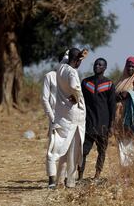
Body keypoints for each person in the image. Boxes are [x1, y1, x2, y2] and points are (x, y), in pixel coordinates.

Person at [47, 48, 88, 188]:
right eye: (79, 61)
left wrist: (79, 54)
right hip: (74, 115)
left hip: (63, 114)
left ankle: (59, 180)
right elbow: (73, 85)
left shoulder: (61, 67)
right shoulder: (71, 71)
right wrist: (76, 95)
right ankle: (70, 181)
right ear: (76, 60)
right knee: (73, 150)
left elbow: (67, 54)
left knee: (63, 148)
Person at [78, 58, 116, 181]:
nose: (97, 66)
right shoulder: (85, 83)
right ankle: (80, 176)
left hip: (103, 125)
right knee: (83, 151)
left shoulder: (109, 84)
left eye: (100, 65)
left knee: (102, 151)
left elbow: (112, 106)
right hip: (88, 123)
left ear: (105, 68)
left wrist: (111, 126)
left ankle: (97, 175)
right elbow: (80, 100)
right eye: (96, 64)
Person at [42, 52, 69, 188]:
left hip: (69, 119)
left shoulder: (71, 77)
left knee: (67, 149)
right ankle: (52, 180)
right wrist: (52, 117)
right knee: (52, 149)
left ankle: (62, 180)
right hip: (55, 118)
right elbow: (45, 99)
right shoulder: (50, 76)